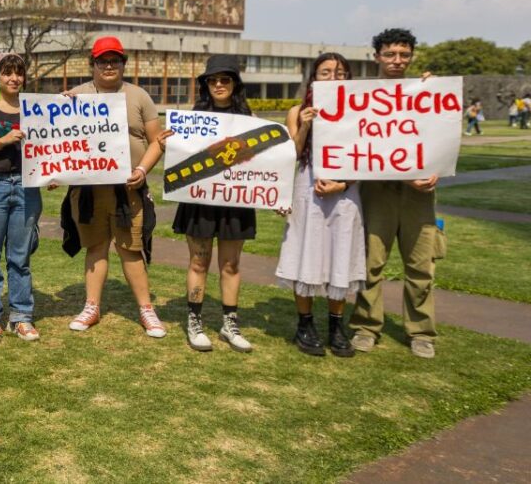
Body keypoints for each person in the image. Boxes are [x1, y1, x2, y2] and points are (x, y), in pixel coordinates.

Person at [64, 37, 167, 339]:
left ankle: (146, 309)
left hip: (129, 189)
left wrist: (141, 170)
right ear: (93, 65)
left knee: (130, 249)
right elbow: (56, 141)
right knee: (96, 246)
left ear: (123, 63)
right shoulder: (76, 96)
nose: (108, 66)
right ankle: (91, 306)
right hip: (90, 190)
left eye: (114, 60)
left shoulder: (139, 96)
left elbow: (156, 141)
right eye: (102, 61)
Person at [350, 28, 442, 359]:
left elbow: (443, 135)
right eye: (390, 54)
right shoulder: (361, 95)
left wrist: (435, 91)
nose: (397, 60)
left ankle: (421, 332)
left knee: (420, 265)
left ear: (412, 57)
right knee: (370, 263)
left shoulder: (426, 92)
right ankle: (365, 326)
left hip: (420, 194)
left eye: (404, 54)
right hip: (377, 191)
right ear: (377, 57)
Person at [159, 54, 254, 353]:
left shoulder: (248, 120)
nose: (218, 84)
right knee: (199, 261)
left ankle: (229, 323)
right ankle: (194, 321)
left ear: (235, 83)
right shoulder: (194, 118)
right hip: (200, 200)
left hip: (234, 201)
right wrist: (168, 145)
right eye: (212, 80)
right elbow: (182, 158)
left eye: (224, 79)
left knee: (231, 263)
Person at [274, 53, 366, 357]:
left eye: (340, 73)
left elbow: (368, 157)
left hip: (344, 192)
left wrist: (343, 183)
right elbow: (291, 153)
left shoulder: (358, 113)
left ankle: (337, 326)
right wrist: (304, 126)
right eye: (325, 72)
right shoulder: (297, 110)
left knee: (341, 253)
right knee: (307, 253)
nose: (332, 78)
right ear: (314, 77)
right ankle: (305, 324)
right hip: (307, 187)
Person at [0, 52, 43, 342]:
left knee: (21, 256)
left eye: (19, 73)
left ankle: (21, 316)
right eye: (7, 73)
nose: (14, 78)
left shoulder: (35, 108)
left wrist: (51, 172)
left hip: (27, 187)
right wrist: (2, 140)